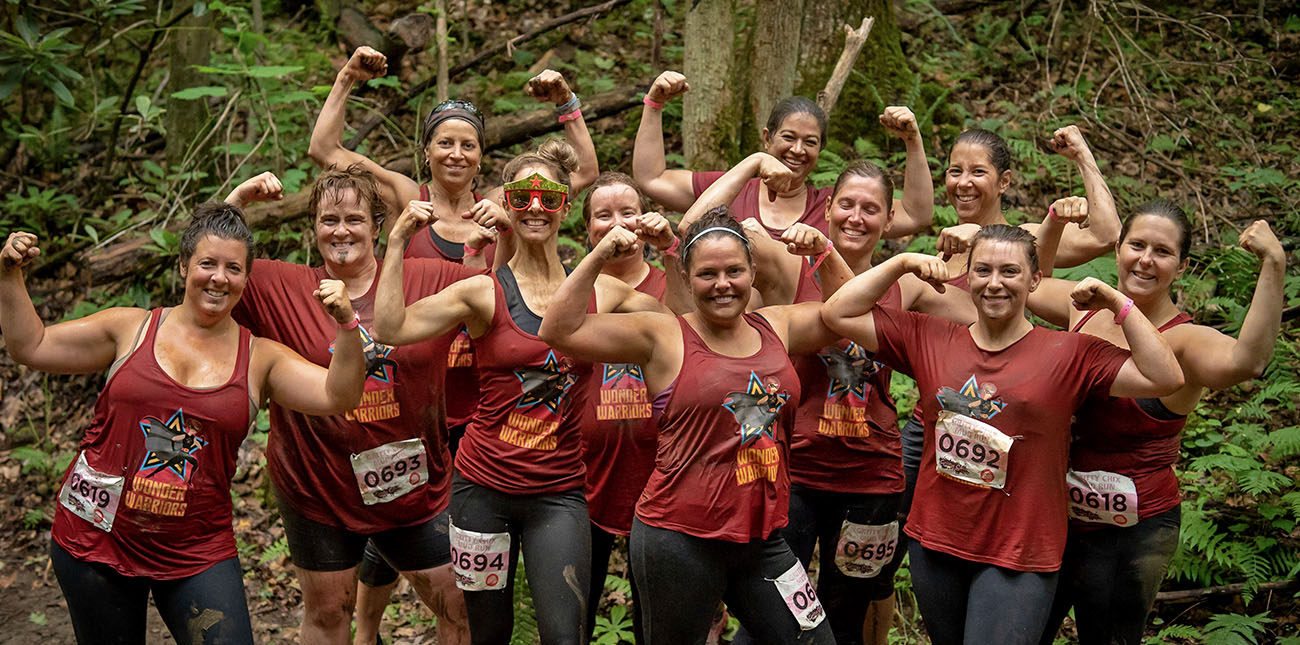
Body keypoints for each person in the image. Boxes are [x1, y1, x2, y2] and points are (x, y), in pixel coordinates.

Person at [0, 207, 365, 644]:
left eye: (233, 268)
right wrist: (8, 276)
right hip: (95, 537)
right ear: (183, 267)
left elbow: (338, 395)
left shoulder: (261, 357)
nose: (218, 277)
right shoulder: (130, 328)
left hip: (196, 549)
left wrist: (347, 325)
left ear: (247, 279)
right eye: (207, 263)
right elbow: (32, 346)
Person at [821, 224, 1185, 644]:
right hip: (936, 542)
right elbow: (838, 313)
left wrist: (1116, 302)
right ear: (969, 277)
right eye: (983, 271)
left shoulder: (1068, 352)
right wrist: (901, 264)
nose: (995, 284)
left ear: (1034, 280)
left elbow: (1165, 376)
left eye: (1010, 272)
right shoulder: (928, 336)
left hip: (1020, 550)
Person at [372, 140, 666, 644]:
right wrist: (397, 241)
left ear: (564, 207)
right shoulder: (482, 291)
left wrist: (674, 246)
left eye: (548, 196)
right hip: (481, 490)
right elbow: (391, 327)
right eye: (523, 196)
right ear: (508, 203)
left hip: (560, 494)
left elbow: (681, 324)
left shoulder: (602, 292)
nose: (535, 207)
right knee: (489, 632)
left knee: (563, 634)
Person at [539, 208, 842, 644]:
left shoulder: (778, 325)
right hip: (679, 540)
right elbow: (558, 329)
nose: (723, 284)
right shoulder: (662, 334)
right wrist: (599, 255)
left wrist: (825, 252)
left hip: (762, 540)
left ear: (753, 272)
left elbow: (846, 314)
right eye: (708, 273)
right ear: (685, 275)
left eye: (735, 270)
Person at [224, 168, 481, 645]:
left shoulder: (429, 278)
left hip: (416, 489)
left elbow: (500, 299)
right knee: (326, 614)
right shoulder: (281, 286)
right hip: (316, 485)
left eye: (354, 219)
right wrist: (237, 200)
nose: (341, 230)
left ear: (378, 226)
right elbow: (217, 260)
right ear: (314, 228)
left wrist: (500, 228)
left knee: (460, 603)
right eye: (329, 219)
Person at [1028, 207, 1286, 644]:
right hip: (1053, 513)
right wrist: (1030, 225)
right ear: (1117, 248)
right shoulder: (1086, 305)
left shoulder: (1185, 341)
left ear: (1182, 267)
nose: (1146, 259)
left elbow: (1250, 361)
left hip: (1132, 531)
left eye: (1162, 251)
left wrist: (1273, 264)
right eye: (1137, 245)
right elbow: (1026, 285)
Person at [899, 124, 1123, 524]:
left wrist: (1082, 156)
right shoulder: (939, 255)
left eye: (977, 172)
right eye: (954, 171)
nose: (963, 183)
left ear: (1004, 182)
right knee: (901, 532)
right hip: (931, 424)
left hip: (1003, 423)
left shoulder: (1026, 243)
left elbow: (1107, 234)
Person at [309, 46, 598, 259]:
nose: (456, 154)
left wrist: (566, 102)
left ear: (480, 158)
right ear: (426, 152)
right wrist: (347, 77)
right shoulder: (406, 199)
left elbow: (584, 172)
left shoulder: (504, 203)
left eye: (468, 146)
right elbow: (324, 150)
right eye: (445, 143)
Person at [632, 71, 933, 239]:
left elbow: (917, 215)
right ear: (767, 138)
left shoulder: (835, 208)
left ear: (820, 150)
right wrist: (654, 104)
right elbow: (651, 178)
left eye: (810, 142)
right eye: (788, 137)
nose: (798, 150)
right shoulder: (729, 189)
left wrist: (912, 140)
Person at [574, 172, 678, 644]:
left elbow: (694, 333)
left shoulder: (667, 285)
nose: (617, 224)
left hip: (660, 476)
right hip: (578, 476)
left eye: (628, 212)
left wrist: (672, 250)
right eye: (603, 214)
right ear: (586, 229)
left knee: (655, 621)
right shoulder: (572, 290)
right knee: (573, 613)